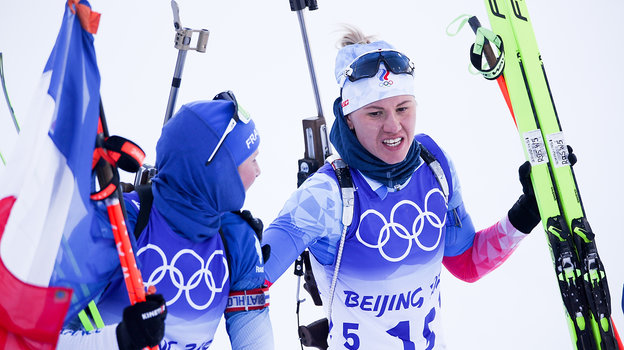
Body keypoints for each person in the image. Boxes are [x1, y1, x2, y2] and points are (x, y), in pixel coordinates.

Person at [262, 26, 541, 349]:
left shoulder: (435, 166)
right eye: (375, 113)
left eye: (403, 109)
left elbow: (467, 262)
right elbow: (250, 282)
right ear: (348, 118)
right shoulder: (325, 196)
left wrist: (526, 213)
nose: (393, 127)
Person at [57, 91, 274, 349]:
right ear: (218, 172)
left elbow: (255, 340)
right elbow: (39, 335)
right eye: (252, 159)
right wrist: (119, 339)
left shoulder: (237, 238)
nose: (259, 171)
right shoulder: (119, 223)